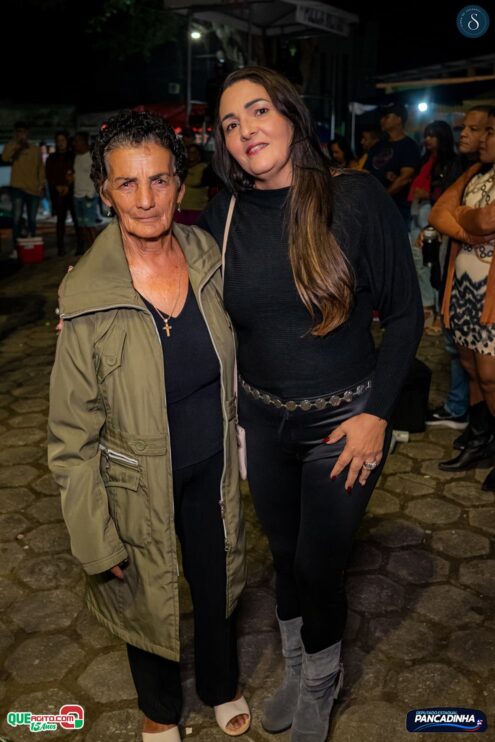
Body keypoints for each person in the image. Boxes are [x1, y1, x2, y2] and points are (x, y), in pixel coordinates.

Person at [198, 66, 423, 742]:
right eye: (230, 124)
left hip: (343, 424)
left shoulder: (353, 197)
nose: (245, 131)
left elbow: (406, 315)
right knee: (285, 556)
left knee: (318, 568)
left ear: (291, 115)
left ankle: (322, 682)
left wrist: (376, 416)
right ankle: (297, 669)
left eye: (258, 111)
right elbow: (170, 285)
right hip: (263, 421)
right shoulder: (223, 215)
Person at [47, 110, 250, 742]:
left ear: (179, 185)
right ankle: (159, 709)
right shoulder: (86, 296)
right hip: (133, 483)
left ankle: (221, 685)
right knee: (145, 596)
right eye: (127, 183)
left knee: (216, 586)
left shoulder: (210, 257)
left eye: (159, 180)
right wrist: (94, 539)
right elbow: (70, 439)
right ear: (104, 191)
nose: (145, 199)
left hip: (210, 467)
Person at [429, 107, 495, 491]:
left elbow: (487, 220)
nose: (481, 138)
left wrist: (464, 217)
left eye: (487, 131)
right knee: (470, 368)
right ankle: (480, 439)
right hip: (465, 286)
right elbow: (439, 213)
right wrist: (471, 223)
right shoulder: (474, 173)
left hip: (490, 293)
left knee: (489, 375)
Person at [408, 121, 455, 333]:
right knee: (419, 264)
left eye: (432, 136)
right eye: (426, 135)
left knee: (434, 263)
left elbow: (448, 192)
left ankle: (437, 312)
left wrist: (427, 194)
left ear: (442, 138)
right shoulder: (425, 160)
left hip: (434, 214)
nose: (427, 139)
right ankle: (427, 310)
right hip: (418, 213)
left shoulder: (450, 163)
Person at [365, 101, 421, 224]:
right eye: (382, 117)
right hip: (372, 206)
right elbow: (366, 172)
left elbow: (404, 178)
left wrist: (383, 196)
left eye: (387, 117)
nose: (382, 120)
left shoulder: (409, 146)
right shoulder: (378, 145)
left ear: (399, 119)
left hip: (396, 209)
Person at [1, 121, 45, 253]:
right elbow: (4, 158)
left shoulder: (35, 149)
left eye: (23, 132)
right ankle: (16, 249)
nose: (21, 134)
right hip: (17, 188)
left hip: (33, 189)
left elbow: (40, 168)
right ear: (15, 133)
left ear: (27, 133)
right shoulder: (11, 146)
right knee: (16, 218)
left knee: (32, 219)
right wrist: (16, 145)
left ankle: (31, 246)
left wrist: (41, 185)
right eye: (18, 132)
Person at [45, 131, 84, 256]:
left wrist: (68, 186)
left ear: (67, 142)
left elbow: (76, 172)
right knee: (60, 220)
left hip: (72, 191)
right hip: (58, 192)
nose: (60, 143)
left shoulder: (73, 156)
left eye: (63, 140)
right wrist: (57, 186)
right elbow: (49, 175)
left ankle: (81, 246)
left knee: (76, 220)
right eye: (58, 141)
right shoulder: (52, 157)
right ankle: (60, 248)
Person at [71, 131, 99, 253]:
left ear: (85, 142)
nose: (75, 143)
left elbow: (97, 177)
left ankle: (97, 251)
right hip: (77, 195)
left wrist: (91, 194)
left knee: (90, 225)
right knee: (82, 226)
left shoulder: (91, 157)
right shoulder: (77, 157)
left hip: (88, 197)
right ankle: (91, 250)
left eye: (77, 141)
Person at [174, 144, 209, 225]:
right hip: (180, 208)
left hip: (197, 209)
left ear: (200, 155)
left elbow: (195, 181)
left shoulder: (205, 169)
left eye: (194, 152)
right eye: (189, 152)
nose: (191, 155)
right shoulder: (180, 168)